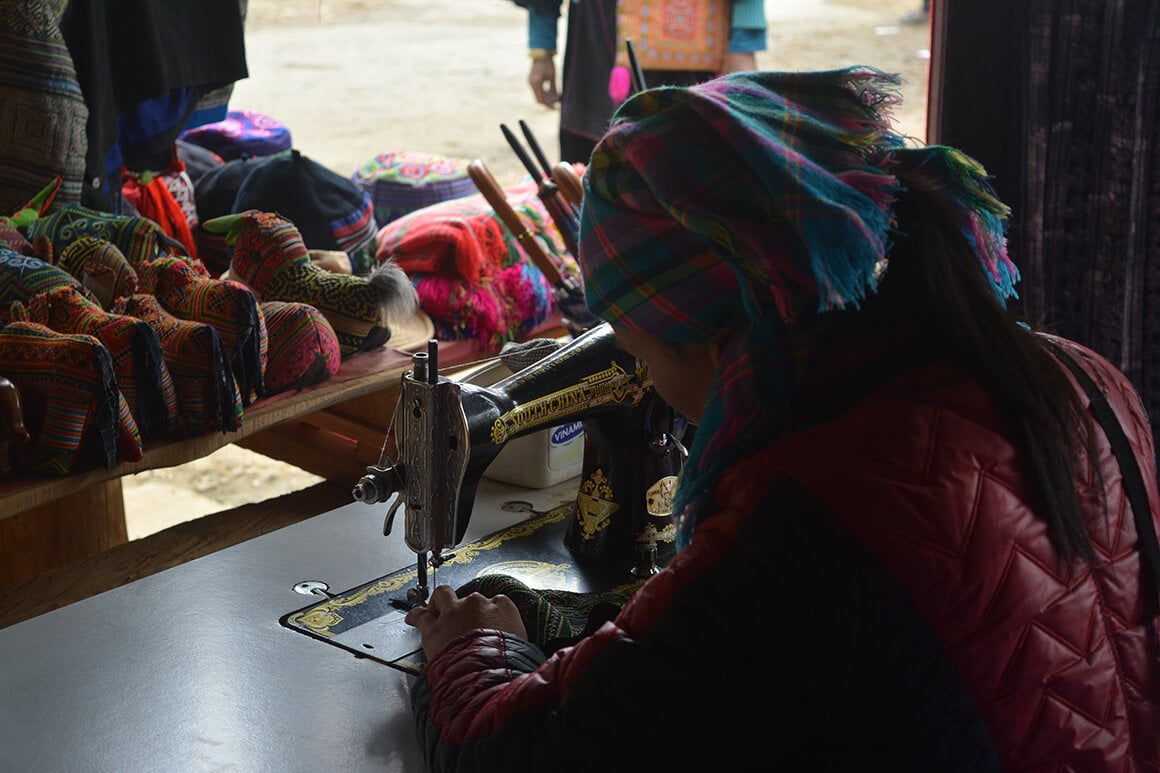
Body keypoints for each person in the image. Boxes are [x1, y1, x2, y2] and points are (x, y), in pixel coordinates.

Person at [405, 68, 1160, 770]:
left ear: (706, 339)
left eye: (641, 353)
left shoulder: (811, 515)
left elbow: (531, 754)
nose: (649, 384)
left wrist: (473, 648)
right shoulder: (1080, 379)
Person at [511, 0, 767, 163]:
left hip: (690, 42)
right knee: (595, 158)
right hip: (599, 38)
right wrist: (541, 46)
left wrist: (743, 44)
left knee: (688, 158)